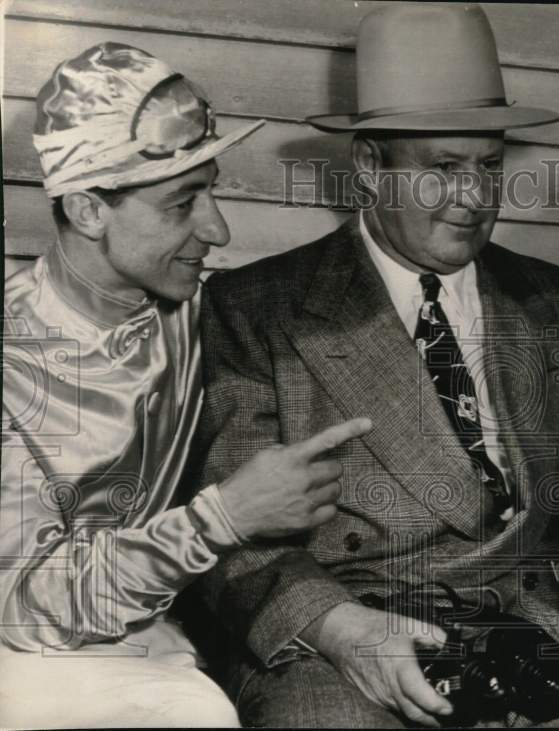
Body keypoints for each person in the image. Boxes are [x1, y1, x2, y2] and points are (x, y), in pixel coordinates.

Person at [193, 4, 559, 727]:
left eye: (489, 166)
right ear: (370, 165)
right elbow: (233, 541)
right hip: (340, 640)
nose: (475, 198)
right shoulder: (257, 308)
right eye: (443, 168)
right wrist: (348, 633)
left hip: (528, 637)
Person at [1, 42, 370, 728]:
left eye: (212, 188)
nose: (218, 228)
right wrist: (221, 517)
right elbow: (25, 609)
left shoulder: (202, 313)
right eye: (181, 203)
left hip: (157, 643)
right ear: (87, 209)